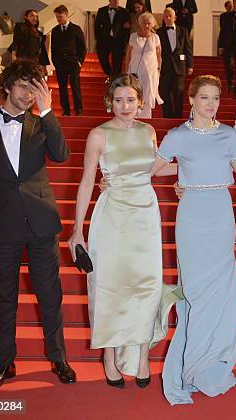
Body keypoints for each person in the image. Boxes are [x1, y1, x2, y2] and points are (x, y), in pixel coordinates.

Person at [0, 60, 76, 391]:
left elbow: (62, 155)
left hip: (41, 222)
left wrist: (48, 111)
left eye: (36, 88)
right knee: (3, 297)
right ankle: (4, 362)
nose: (30, 94)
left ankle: (58, 357)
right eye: (25, 87)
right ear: (8, 86)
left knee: (49, 294)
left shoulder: (41, 122)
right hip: (0, 226)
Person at [67, 74, 180, 389]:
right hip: (113, 215)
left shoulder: (148, 131)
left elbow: (153, 170)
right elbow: (88, 181)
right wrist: (78, 230)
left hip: (146, 215)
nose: (125, 106)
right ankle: (110, 356)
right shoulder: (98, 135)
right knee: (111, 286)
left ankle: (142, 353)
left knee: (147, 286)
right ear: (110, 102)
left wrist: (196, 165)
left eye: (131, 100)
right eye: (119, 100)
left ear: (140, 101)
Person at [159, 75, 236, 404]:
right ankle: (190, 367)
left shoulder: (228, 135)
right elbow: (155, 169)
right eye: (204, 97)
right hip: (192, 215)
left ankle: (211, 364)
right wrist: (184, 172)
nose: (210, 104)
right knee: (195, 291)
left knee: (221, 291)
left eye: (215, 98)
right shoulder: (176, 136)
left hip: (221, 213)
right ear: (192, 100)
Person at [124, 12, 162, 118]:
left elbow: (159, 55)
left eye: (149, 23)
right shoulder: (133, 36)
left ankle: (146, 118)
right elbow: (128, 55)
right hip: (135, 70)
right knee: (135, 93)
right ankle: (134, 116)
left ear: (152, 24)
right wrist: (126, 71)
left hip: (150, 71)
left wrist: (159, 69)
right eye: (144, 23)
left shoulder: (156, 38)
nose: (146, 26)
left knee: (148, 93)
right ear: (140, 24)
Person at [51, 5, 86, 116]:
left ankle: (78, 110)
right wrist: (55, 63)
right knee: (62, 88)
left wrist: (80, 62)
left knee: (75, 86)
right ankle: (65, 110)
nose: (58, 19)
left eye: (60, 17)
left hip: (74, 63)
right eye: (57, 17)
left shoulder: (76, 29)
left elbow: (82, 48)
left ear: (66, 15)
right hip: (60, 64)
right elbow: (53, 49)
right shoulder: (55, 30)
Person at [159, 7, 193, 118]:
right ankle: (167, 116)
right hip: (164, 67)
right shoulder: (159, 32)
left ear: (175, 18)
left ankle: (177, 117)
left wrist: (190, 65)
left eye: (170, 16)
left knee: (179, 92)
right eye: (166, 16)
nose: (168, 18)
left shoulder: (183, 30)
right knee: (165, 93)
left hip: (180, 66)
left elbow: (188, 48)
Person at [95, 0, 131, 80]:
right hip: (104, 41)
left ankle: (115, 81)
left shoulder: (124, 11)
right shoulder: (102, 10)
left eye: (118, 0)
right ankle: (109, 74)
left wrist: (125, 40)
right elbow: (97, 26)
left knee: (117, 63)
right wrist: (99, 39)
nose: (117, 2)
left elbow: (127, 27)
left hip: (118, 41)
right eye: (115, 0)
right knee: (103, 59)